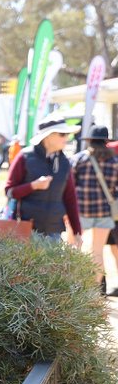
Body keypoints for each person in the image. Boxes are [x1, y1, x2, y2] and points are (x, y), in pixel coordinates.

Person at [5, 116, 81, 241]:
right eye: (62, 134)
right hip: (26, 230)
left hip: (55, 232)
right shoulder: (24, 157)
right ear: (47, 136)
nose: (67, 138)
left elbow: (70, 199)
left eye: (67, 134)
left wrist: (77, 232)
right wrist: (33, 186)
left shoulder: (64, 162)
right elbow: (9, 191)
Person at [72, 124, 118, 294]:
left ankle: (75, 288)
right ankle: (95, 291)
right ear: (106, 141)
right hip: (105, 212)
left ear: (89, 140)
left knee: (75, 249)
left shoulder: (79, 159)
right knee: (97, 252)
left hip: (80, 212)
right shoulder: (114, 161)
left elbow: (69, 186)